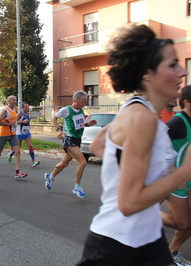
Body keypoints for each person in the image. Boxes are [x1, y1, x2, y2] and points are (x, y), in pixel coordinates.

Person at [76, 24, 190, 266]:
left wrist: (143, 168)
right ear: (148, 73)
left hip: (147, 234)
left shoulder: (145, 113)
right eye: (172, 65)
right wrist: (183, 171)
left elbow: (101, 145)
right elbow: (128, 204)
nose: (182, 72)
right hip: (117, 243)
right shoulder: (142, 118)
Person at [44, 90, 96, 197]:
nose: (84, 104)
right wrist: (58, 130)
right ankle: (77, 187)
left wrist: (88, 124)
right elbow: (54, 117)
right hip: (69, 140)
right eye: (83, 101)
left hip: (77, 140)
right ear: (76, 100)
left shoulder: (81, 111)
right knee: (83, 162)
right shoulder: (66, 110)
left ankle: (51, 176)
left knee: (64, 164)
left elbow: (80, 125)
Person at [162, 85, 191, 266]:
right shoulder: (177, 122)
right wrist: (173, 171)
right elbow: (157, 146)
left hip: (188, 179)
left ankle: (171, 252)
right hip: (175, 182)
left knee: (189, 223)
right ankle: (144, 213)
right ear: (187, 102)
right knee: (183, 224)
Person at [0, 95, 27, 179]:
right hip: (4, 134)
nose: (15, 101)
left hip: (12, 134)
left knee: (18, 151)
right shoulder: (5, 110)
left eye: (15, 100)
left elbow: (14, 122)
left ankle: (17, 171)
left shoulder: (15, 110)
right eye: (13, 100)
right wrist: (9, 124)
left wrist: (20, 122)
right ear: (8, 101)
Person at [7, 102, 40, 167]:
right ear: (22, 108)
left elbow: (28, 121)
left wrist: (29, 126)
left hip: (27, 133)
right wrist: (23, 122)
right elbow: (14, 122)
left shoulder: (28, 113)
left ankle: (33, 161)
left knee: (30, 145)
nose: (27, 109)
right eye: (26, 107)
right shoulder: (19, 114)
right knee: (18, 149)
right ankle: (11, 153)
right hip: (20, 133)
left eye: (28, 107)